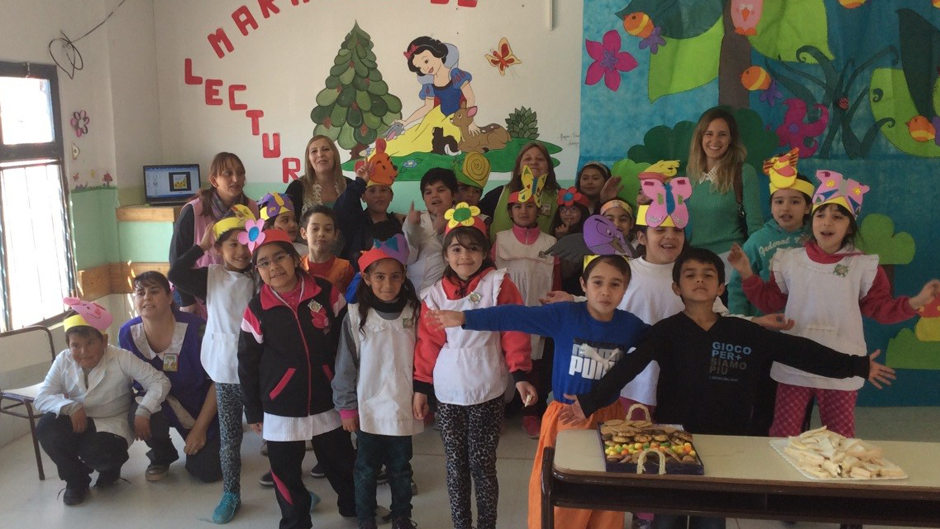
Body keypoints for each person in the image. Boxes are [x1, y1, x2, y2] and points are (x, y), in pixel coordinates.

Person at [560, 247, 897, 529]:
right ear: (676, 287)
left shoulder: (742, 332)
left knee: (711, 519)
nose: (699, 280)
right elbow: (627, 368)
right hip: (673, 441)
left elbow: (799, 352)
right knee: (668, 519)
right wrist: (589, 402)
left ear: (721, 286)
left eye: (708, 274)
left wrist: (857, 365)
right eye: (690, 274)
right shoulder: (665, 332)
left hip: (726, 443)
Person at [426, 253, 648, 529]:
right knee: (562, 497)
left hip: (610, 421)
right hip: (567, 419)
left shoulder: (630, 326)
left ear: (626, 289)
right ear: (583, 284)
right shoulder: (565, 315)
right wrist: (464, 318)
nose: (605, 291)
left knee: (605, 499)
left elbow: (661, 343)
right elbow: (515, 315)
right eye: (598, 282)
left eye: (615, 284)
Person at [732, 172, 940, 439]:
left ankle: (836, 482)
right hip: (795, 363)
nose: (827, 222)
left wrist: (917, 302)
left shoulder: (863, 266)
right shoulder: (788, 260)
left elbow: (880, 309)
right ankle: (782, 481)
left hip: (843, 364)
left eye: (837, 216)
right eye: (821, 215)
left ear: (849, 226)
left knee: (839, 437)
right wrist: (748, 274)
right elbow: (769, 300)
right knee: (784, 434)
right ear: (812, 220)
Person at [413, 204, 536, 529]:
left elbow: (514, 330)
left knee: (482, 463)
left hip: (487, 386)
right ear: (446, 253)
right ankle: (461, 524)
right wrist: (421, 387)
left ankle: (487, 525)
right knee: (455, 463)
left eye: (472, 248)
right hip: (449, 390)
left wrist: (520, 374)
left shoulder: (498, 284)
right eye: (456, 248)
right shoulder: (435, 294)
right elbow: (427, 343)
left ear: (485, 252)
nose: (464, 256)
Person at [238, 228, 357, 528]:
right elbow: (247, 363)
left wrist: (349, 393)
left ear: (295, 259)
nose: (273, 267)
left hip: (326, 396)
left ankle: (354, 506)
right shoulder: (256, 309)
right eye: (263, 263)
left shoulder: (325, 291)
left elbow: (347, 342)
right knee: (285, 472)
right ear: (257, 271)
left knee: (341, 460)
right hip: (280, 404)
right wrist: (253, 409)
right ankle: (295, 521)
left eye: (280, 257)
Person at [167, 205, 257, 523]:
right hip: (225, 370)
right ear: (219, 250)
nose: (241, 250)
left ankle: (289, 485)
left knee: (277, 434)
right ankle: (231, 492)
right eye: (232, 244)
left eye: (246, 242)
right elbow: (175, 275)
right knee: (231, 436)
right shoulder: (212, 276)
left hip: (259, 370)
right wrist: (200, 247)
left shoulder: (261, 275)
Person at [35, 299, 170, 506]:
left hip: (112, 421)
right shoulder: (63, 360)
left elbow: (159, 381)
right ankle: (76, 480)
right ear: (68, 346)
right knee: (46, 427)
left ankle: (111, 466)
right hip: (77, 419)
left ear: (104, 340)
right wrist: (70, 406)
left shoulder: (121, 357)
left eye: (90, 343)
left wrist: (144, 410)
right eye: (75, 345)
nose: (83, 352)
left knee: (102, 453)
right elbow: (42, 397)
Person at [332, 235, 423, 529]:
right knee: (366, 469)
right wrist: (346, 407)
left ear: (404, 277)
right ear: (367, 278)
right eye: (380, 277)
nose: (388, 284)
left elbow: (423, 359)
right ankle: (366, 518)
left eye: (395, 276)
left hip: (402, 405)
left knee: (400, 468)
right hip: (368, 407)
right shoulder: (357, 315)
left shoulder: (414, 312)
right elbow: (345, 366)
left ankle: (401, 517)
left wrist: (425, 394)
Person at [119, 272, 221, 485]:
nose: (146, 297)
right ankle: (161, 455)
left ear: (169, 296)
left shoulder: (197, 328)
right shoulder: (127, 333)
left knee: (208, 472)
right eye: (140, 293)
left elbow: (218, 382)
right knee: (138, 413)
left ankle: (213, 441)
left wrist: (200, 430)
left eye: (154, 291)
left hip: (199, 406)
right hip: (156, 403)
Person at [492, 169, 559, 438]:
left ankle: (531, 412)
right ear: (509, 212)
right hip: (508, 310)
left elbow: (555, 283)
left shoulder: (551, 243)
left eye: (529, 206)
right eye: (517, 206)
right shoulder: (500, 241)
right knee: (503, 357)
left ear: (538, 210)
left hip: (538, 310)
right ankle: (499, 410)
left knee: (536, 362)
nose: (523, 211)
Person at [169, 152, 258, 316]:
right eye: (228, 174)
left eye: (240, 173)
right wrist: (187, 301)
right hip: (201, 291)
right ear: (213, 180)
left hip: (239, 292)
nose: (236, 179)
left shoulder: (252, 207)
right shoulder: (194, 211)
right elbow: (176, 257)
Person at [727, 150, 813, 316]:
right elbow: (738, 284)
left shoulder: (817, 237)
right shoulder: (758, 240)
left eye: (795, 201)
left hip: (808, 325)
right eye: (779, 201)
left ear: (808, 207)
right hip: (766, 327)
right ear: (771, 206)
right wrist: (738, 321)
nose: (785, 208)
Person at [685, 108, 763, 280]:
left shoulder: (743, 172)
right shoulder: (692, 174)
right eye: (709, 133)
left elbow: (756, 228)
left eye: (722, 134)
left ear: (731, 139)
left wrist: (751, 267)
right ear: (700, 137)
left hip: (730, 264)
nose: (715, 140)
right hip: (696, 262)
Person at [385, 36, 477, 157]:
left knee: (447, 132)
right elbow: (427, 107)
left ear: (437, 53)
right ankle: (387, 148)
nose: (425, 68)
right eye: (420, 68)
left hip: (456, 117)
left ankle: (447, 146)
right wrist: (406, 122)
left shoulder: (455, 74)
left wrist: (469, 122)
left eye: (426, 61)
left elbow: (470, 98)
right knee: (417, 135)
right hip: (437, 115)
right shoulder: (430, 84)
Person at [334, 145, 405, 270]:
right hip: (358, 282)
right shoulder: (355, 221)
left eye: (383, 190)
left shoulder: (398, 224)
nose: (378, 195)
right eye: (371, 191)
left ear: (391, 196)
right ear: (363, 197)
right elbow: (341, 209)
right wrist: (360, 182)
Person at [480, 142, 561, 237]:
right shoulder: (499, 194)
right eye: (527, 159)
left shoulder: (559, 198)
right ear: (518, 169)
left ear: (548, 169)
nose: (534, 162)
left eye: (540, 159)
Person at [404, 167, 457, 293]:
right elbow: (408, 258)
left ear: (454, 194)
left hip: (445, 293)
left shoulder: (463, 220)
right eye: (428, 192)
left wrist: (442, 233)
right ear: (423, 198)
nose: (434, 195)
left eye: (441, 190)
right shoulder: (416, 219)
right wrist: (411, 227)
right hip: (414, 292)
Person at [286, 135, 351, 219]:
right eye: (314, 151)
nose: (320, 154)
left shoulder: (350, 185)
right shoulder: (297, 188)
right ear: (309, 161)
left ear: (335, 155)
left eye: (325, 149)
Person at [300, 204, 356, 295]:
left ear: (336, 235)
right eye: (315, 229)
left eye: (328, 229)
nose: (321, 234)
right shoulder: (298, 267)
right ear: (304, 233)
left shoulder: (345, 268)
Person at [551, 186, 591, 295]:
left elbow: (567, 271)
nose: (568, 214)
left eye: (573, 209)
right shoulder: (552, 233)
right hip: (555, 287)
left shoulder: (587, 237)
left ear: (582, 212)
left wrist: (564, 238)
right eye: (563, 210)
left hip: (577, 290)